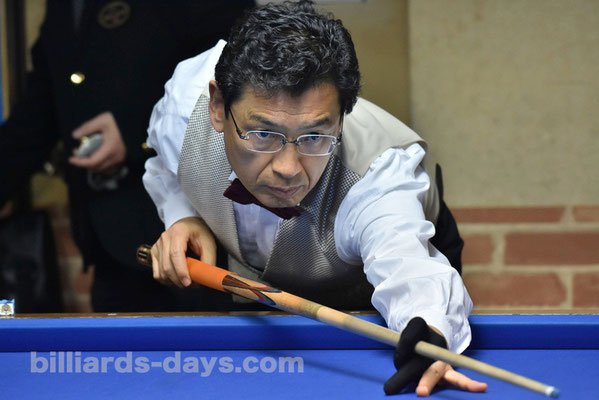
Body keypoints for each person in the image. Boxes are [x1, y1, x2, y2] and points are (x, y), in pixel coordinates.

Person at [144, 0, 487, 396]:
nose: (288, 168)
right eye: (263, 134)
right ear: (218, 107)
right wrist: (183, 215)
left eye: (314, 136)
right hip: (255, 279)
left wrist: (429, 328)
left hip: (364, 280)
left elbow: (408, 265)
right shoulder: (184, 110)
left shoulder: (375, 177)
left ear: (341, 120)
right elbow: (163, 163)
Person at [0, 0, 254, 312]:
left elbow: (239, 64)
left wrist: (132, 131)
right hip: (109, 236)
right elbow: (39, 110)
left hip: (203, 242)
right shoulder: (63, 6)